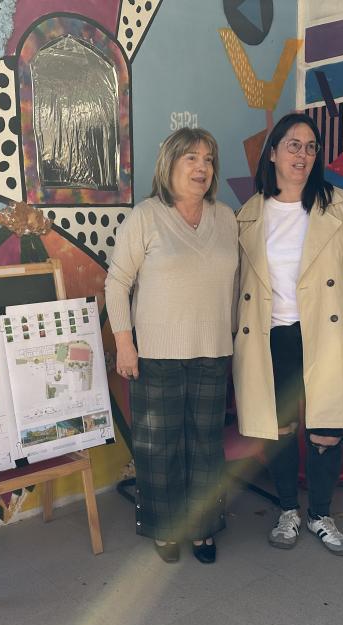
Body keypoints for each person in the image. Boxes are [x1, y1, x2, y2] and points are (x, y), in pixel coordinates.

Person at [233, 112, 343, 556]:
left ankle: (321, 514)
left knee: (326, 429)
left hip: (323, 333)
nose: (303, 154)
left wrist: (330, 307)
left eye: (311, 147)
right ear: (272, 152)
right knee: (278, 428)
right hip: (271, 337)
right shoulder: (249, 214)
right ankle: (289, 511)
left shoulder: (339, 204)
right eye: (293, 145)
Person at [105, 128, 238, 564]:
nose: (202, 167)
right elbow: (117, 283)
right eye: (190, 158)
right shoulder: (145, 216)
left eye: (208, 159)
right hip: (156, 355)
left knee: (206, 447)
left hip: (212, 351)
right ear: (170, 165)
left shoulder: (226, 218)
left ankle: (203, 527)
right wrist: (125, 344)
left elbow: (236, 285)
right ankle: (164, 528)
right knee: (158, 447)